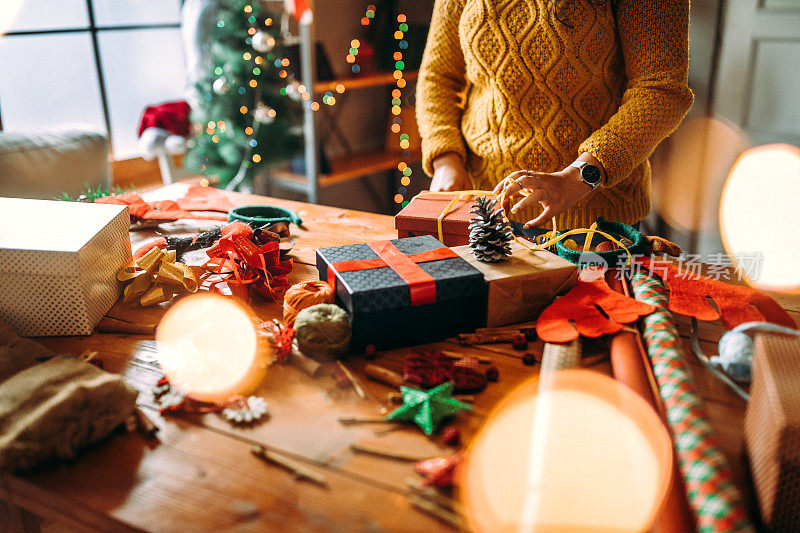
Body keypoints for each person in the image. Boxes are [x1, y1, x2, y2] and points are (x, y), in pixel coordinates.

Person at [416, 0, 693, 232]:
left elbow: (660, 88)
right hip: (483, 209)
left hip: (595, 222)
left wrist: (578, 177)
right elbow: (438, 75)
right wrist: (445, 159)